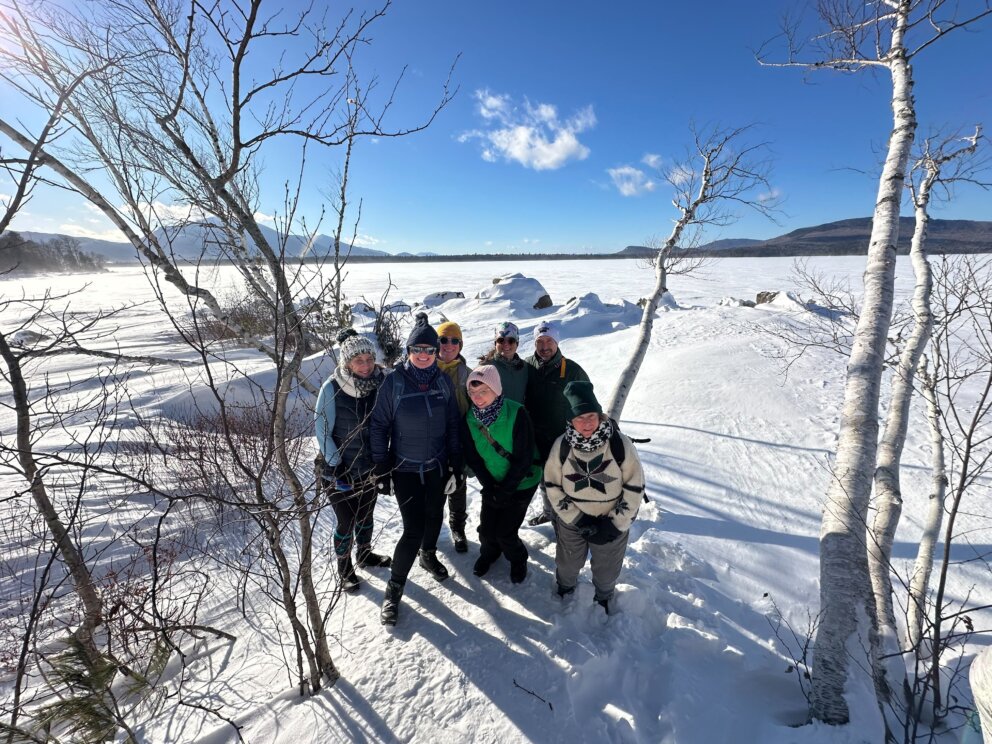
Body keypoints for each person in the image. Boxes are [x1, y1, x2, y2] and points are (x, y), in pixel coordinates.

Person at [370, 312, 462, 626]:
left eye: (429, 350)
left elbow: (452, 424)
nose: (424, 355)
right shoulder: (393, 382)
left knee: (435, 515)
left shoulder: (443, 381)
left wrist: (455, 465)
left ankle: (428, 555)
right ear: (408, 352)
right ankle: (394, 589)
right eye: (417, 350)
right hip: (405, 469)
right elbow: (379, 427)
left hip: (436, 465)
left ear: (437, 353)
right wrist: (382, 467)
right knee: (413, 529)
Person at [544, 381, 645, 614]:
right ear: (570, 420)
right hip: (573, 522)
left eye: (591, 415)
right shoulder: (562, 445)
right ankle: (565, 587)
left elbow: (634, 486)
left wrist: (616, 523)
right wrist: (577, 518)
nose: (587, 423)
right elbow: (552, 485)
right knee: (568, 563)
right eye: (579, 418)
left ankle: (604, 595)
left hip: (611, 521)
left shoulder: (620, 443)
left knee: (607, 567)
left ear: (600, 416)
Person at [314, 330, 392, 593]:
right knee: (346, 520)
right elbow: (322, 430)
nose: (366, 365)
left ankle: (365, 554)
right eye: (359, 360)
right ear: (346, 363)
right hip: (339, 471)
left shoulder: (380, 384)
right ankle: (344, 568)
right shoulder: (332, 388)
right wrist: (336, 466)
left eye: (370, 358)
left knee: (366, 514)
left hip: (369, 467)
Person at [459, 365, 541, 584]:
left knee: (505, 532)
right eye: (473, 393)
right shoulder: (470, 420)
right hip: (493, 482)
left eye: (483, 392)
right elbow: (473, 458)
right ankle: (489, 553)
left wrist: (505, 491)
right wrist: (489, 485)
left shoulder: (517, 413)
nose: (477, 398)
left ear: (496, 390)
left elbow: (524, 459)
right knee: (487, 530)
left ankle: (518, 559)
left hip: (522, 481)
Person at [524, 320, 590, 526]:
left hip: (563, 439)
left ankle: (566, 523)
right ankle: (549, 513)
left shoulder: (572, 370)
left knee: (564, 483)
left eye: (549, 341)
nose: (544, 347)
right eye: (540, 341)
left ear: (557, 342)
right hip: (534, 438)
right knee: (544, 481)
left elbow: (587, 405)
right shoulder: (526, 367)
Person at [436, 320, 472, 553]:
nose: (449, 345)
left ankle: (457, 528)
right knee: (434, 489)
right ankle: (431, 532)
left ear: (460, 344)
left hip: (458, 441)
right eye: (443, 340)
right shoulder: (426, 368)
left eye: (454, 341)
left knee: (458, 486)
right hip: (432, 443)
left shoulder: (468, 374)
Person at [477, 321, 529, 404]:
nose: (506, 344)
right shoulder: (484, 368)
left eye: (511, 340)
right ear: (495, 344)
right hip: (495, 416)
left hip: (519, 416)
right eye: (501, 340)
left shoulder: (524, 367)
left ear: (517, 344)